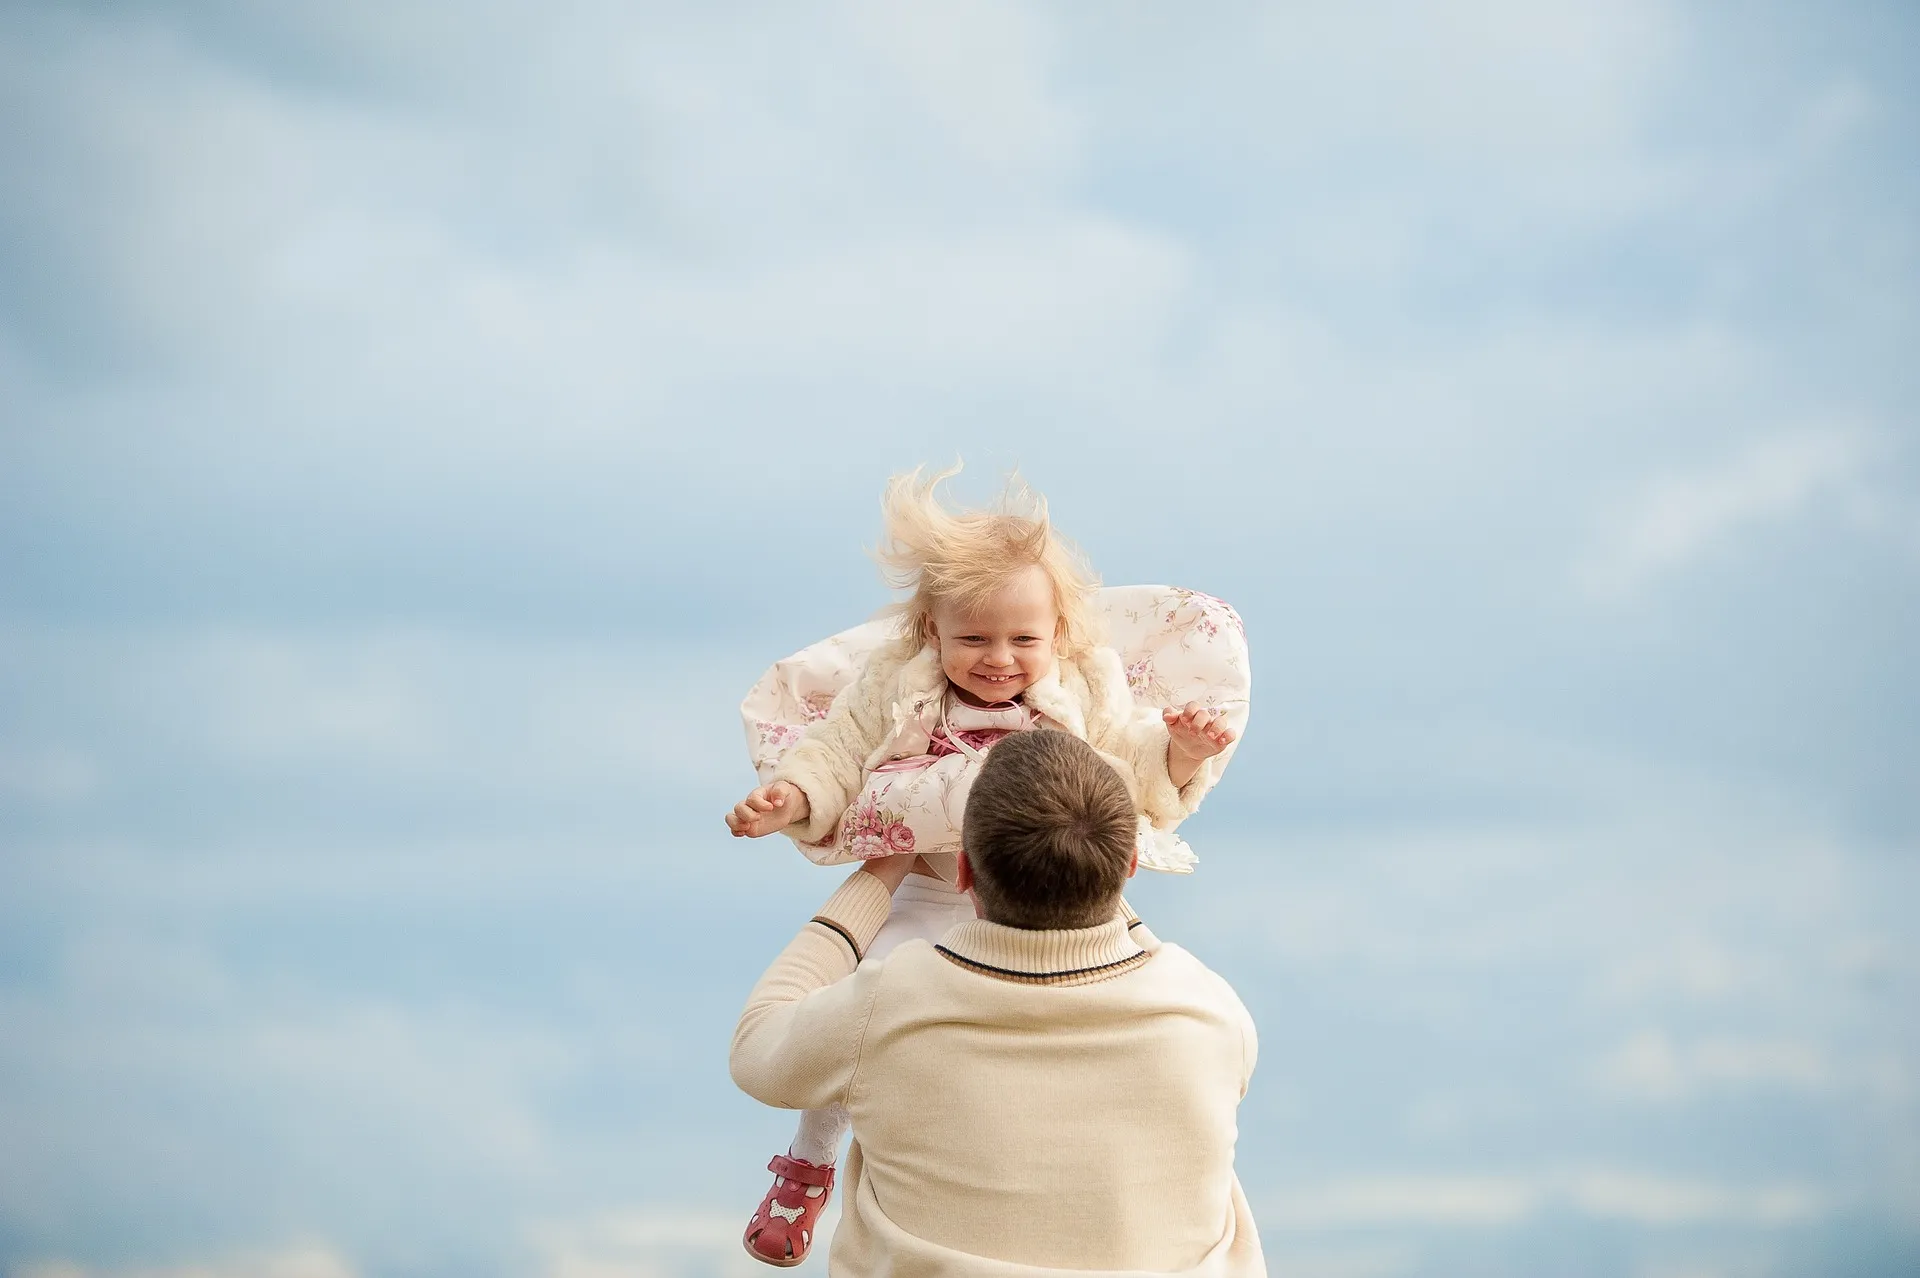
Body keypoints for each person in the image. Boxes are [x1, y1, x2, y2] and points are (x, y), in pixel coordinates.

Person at [724, 466, 1239, 1264]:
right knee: (855, 1016)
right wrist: (791, 799)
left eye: (1023, 640)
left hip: (1048, 895)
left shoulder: (1080, 689)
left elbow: (1129, 768)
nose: (999, 659)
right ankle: (810, 1163)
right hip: (929, 888)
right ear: (929, 631)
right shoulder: (896, 690)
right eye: (973, 638)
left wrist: (1180, 751)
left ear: (1060, 632)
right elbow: (838, 757)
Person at [731, 729, 1265, 1275]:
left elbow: (757, 1049)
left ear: (962, 873)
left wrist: (881, 869)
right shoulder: (1211, 1014)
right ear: (1129, 866)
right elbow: (1137, 949)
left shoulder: (891, 1005)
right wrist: (1087, 864)